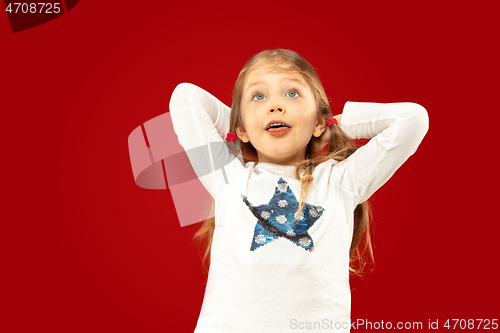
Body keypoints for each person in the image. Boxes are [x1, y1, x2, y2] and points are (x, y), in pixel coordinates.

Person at [168, 49, 429, 333]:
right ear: (240, 128)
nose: (275, 106)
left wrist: (335, 124)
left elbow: (412, 119)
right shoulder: (227, 177)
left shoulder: (340, 182)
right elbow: (185, 97)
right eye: (259, 96)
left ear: (317, 121)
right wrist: (241, 125)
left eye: (292, 94)